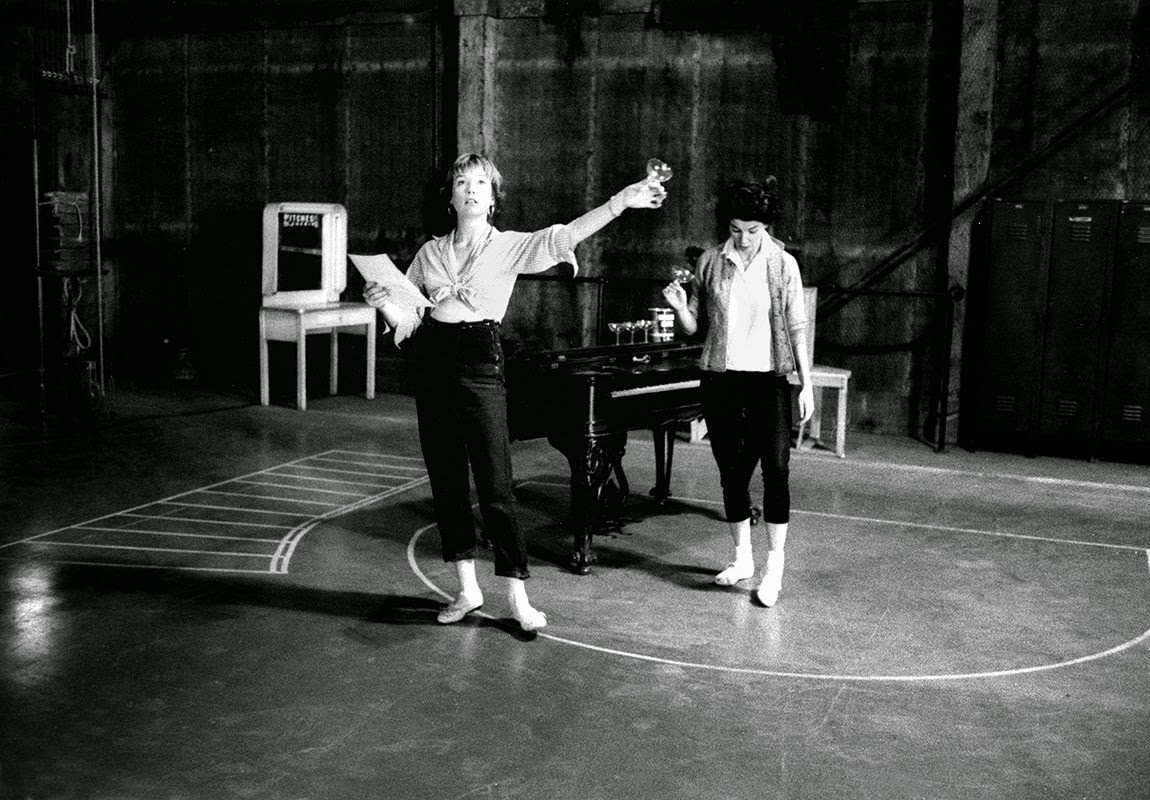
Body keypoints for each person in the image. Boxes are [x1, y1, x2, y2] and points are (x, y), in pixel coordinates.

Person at [365, 153, 666, 632]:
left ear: (493, 196)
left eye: (480, 182)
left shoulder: (507, 246)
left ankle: (518, 597)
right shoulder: (428, 253)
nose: (470, 189)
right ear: (449, 196)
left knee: (495, 484)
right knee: (446, 481)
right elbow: (409, 320)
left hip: (481, 360)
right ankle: (467, 590)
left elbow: (563, 236)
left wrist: (620, 203)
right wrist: (385, 305)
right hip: (434, 362)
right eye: (461, 182)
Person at [661, 177, 813, 607]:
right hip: (722, 380)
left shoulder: (783, 265)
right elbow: (695, 326)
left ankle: (773, 570)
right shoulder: (710, 262)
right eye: (735, 229)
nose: (744, 239)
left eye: (753, 230)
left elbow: (797, 327)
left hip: (769, 380)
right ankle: (742, 559)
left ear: (766, 227)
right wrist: (678, 309)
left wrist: (805, 384)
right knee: (732, 473)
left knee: (777, 471)